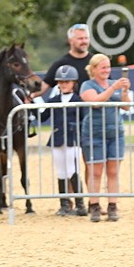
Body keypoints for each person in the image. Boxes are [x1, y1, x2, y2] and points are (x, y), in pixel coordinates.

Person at [79, 53, 132, 222]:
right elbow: (95, 101)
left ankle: (112, 206)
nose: (106, 70)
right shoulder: (87, 85)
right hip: (94, 134)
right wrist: (113, 88)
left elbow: (125, 106)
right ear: (93, 69)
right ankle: (94, 206)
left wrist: (124, 91)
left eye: (108, 67)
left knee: (113, 171)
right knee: (95, 172)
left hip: (115, 133)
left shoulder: (113, 84)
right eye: (103, 67)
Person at [40, 65, 87, 216]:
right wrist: (32, 104)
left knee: (72, 169)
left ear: (73, 82)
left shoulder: (79, 100)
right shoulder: (53, 100)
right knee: (61, 171)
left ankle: (80, 204)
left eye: (67, 82)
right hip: (58, 137)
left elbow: (84, 119)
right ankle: (64, 204)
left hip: (73, 138)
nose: (63, 84)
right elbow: (43, 117)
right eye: (60, 82)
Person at [39, 23, 91, 96]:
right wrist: (29, 96)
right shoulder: (61, 64)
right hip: (71, 107)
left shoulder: (96, 62)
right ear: (70, 41)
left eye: (86, 38)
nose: (84, 41)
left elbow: (107, 85)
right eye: (80, 38)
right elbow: (43, 87)